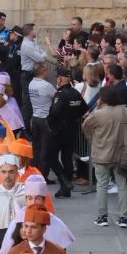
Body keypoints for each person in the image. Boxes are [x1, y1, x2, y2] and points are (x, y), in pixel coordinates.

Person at [82, 85, 127, 227]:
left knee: (102, 185)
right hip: (121, 154)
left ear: (102, 98)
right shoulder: (125, 111)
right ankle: (123, 217)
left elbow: (85, 125)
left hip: (101, 154)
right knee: (122, 185)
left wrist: (92, 138)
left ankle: (102, 216)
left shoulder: (99, 114)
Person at [43, 64, 86, 197]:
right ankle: (66, 189)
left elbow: (54, 112)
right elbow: (83, 110)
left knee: (50, 156)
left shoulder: (60, 94)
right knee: (67, 157)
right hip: (72, 129)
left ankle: (64, 181)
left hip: (58, 130)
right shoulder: (76, 93)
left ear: (60, 79)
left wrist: (49, 122)